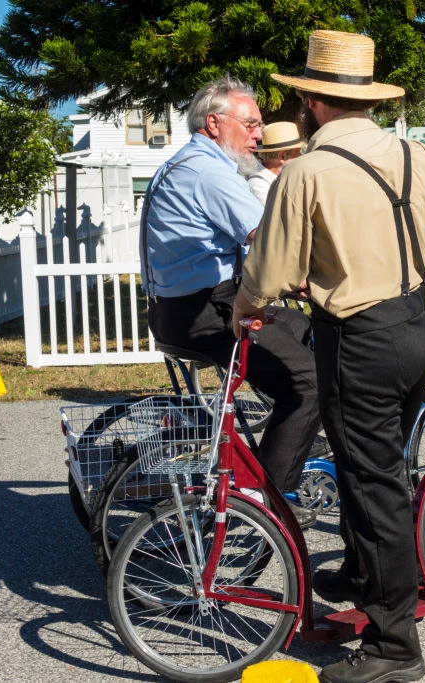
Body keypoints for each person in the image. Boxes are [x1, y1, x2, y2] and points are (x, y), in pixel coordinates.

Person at [232, 30, 425, 683]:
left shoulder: (306, 170)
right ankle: (361, 571)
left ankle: (394, 647)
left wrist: (246, 305)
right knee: (373, 466)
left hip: (358, 335)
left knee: (374, 478)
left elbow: (270, 267)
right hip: (416, 324)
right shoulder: (413, 154)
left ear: (312, 101)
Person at [140, 76, 321, 527]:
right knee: (309, 383)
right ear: (215, 123)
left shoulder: (188, 163)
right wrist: (316, 279)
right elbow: (267, 240)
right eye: (252, 123)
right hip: (205, 309)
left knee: (306, 331)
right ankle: (264, 508)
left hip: (179, 307)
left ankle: (297, 436)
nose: (259, 134)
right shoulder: (210, 173)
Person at [246, 121, 303, 204]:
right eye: (297, 152)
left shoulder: (286, 177)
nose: (301, 156)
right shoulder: (258, 185)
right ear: (282, 156)